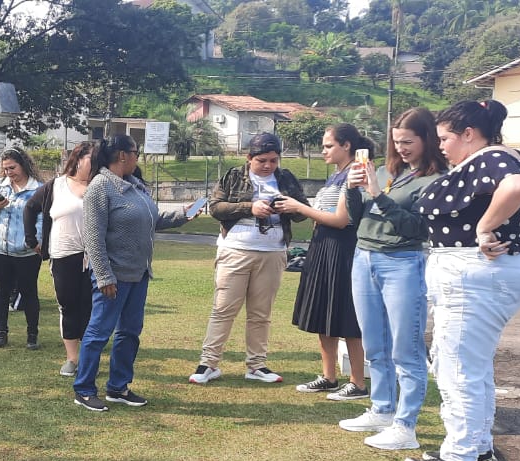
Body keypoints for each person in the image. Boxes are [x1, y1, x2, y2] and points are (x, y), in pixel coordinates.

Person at [405, 100, 520, 461]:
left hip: (473, 272)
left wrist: (485, 227)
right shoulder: (508, 156)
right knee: (472, 365)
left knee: (457, 366)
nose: (440, 145)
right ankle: (476, 443)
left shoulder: (491, 157)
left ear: (469, 134)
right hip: (485, 272)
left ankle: (458, 457)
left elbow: (517, 187)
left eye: (445, 137)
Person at [336, 108, 447, 451]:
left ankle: (406, 425)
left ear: (427, 139)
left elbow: (418, 229)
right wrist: (354, 190)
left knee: (406, 348)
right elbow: (357, 218)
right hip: (364, 258)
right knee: (375, 344)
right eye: (396, 141)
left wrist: (379, 195)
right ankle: (382, 409)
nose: (401, 148)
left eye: (408, 142)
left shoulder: (436, 179)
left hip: (403, 262)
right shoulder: (385, 171)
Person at [71, 135, 193, 411]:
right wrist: (103, 276)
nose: (139, 158)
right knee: (99, 332)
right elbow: (93, 238)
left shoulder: (135, 186)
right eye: (136, 152)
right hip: (113, 277)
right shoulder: (100, 188)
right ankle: (84, 388)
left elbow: (153, 220)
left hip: (139, 274)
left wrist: (183, 215)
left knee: (130, 332)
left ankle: (118, 387)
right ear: (122, 155)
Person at [190, 132, 308, 385]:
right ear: (249, 158)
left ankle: (257, 365)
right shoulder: (233, 176)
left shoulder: (285, 179)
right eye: (262, 160)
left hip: (273, 251)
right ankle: (208, 363)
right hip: (235, 249)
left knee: (261, 313)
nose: (268, 166)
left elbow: (302, 212)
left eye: (273, 160)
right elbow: (216, 208)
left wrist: (288, 206)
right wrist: (250, 207)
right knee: (223, 308)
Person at [275, 124, 370, 401]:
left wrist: (299, 207)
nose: (323, 151)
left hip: (343, 249)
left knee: (347, 316)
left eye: (329, 146)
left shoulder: (354, 173)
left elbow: (342, 220)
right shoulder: (335, 175)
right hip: (322, 247)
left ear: (347, 145)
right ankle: (329, 376)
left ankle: (357, 382)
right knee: (323, 312)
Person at [24, 141, 95, 377]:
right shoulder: (56, 186)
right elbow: (30, 208)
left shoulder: (100, 185)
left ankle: (88, 356)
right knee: (68, 304)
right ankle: (72, 358)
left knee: (91, 306)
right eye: (91, 159)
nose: (95, 164)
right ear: (78, 159)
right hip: (63, 254)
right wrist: (32, 241)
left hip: (95, 256)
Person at [0, 147, 44, 349]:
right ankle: (1, 332)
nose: (9, 172)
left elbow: (43, 218)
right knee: (1, 290)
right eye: (6, 169)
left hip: (27, 251)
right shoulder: (0, 185)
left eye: (13, 167)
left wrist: (37, 241)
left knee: (29, 292)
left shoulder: (38, 189)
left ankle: (32, 334)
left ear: (24, 165)